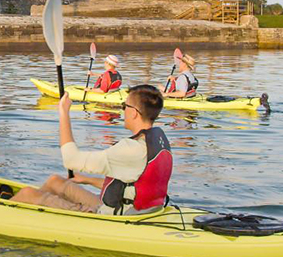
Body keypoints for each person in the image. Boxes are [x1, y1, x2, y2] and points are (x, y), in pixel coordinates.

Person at [10, 85, 172, 215]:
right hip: (140, 208)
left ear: (135, 113)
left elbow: (70, 160)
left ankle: (9, 212)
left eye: (124, 106)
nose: (122, 110)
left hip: (114, 217)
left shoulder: (130, 149)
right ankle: (32, 213)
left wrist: (63, 113)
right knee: (55, 181)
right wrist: (87, 179)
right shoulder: (157, 141)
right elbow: (131, 184)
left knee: (27, 193)